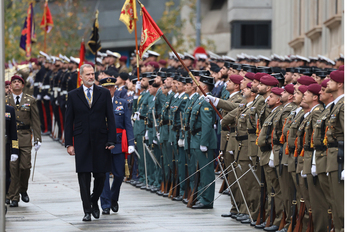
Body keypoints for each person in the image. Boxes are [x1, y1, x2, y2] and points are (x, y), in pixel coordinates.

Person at [64, 64, 116, 221]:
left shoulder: (104, 93)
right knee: (84, 176)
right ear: (81, 77)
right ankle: (87, 210)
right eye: (87, 74)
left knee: (101, 175)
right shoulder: (73, 95)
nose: (91, 77)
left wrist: (111, 139)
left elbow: (110, 118)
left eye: (93, 74)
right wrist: (69, 143)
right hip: (81, 140)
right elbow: (68, 121)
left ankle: (94, 200)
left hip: (101, 140)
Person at [99, 77, 135, 215]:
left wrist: (131, 143)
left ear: (115, 88)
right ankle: (105, 204)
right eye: (106, 88)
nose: (109, 90)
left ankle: (113, 198)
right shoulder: (97, 104)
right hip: (103, 143)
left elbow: (127, 124)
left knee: (119, 175)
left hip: (119, 143)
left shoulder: (122, 103)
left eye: (111, 87)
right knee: (103, 175)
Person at [5, 75, 41, 207]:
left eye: (18, 82)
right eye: (14, 82)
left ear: (22, 84)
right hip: (11, 138)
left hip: (25, 137)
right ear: (11, 85)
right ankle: (14, 197)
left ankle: (23, 189)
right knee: (13, 167)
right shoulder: (5, 100)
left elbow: (35, 121)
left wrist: (37, 138)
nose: (16, 84)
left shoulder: (30, 100)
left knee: (25, 166)